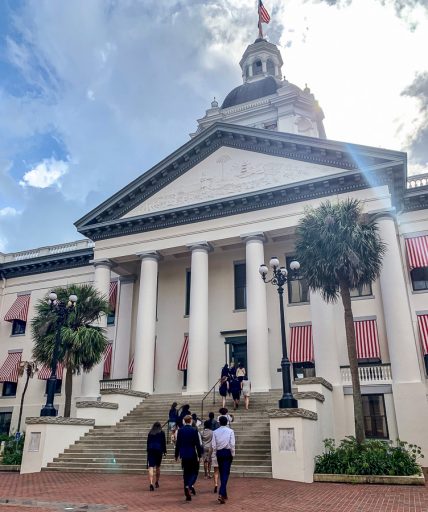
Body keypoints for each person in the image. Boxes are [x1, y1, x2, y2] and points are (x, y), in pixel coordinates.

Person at [175, 414, 202, 501]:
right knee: (194, 470)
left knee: (186, 472)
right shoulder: (194, 430)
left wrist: (176, 455)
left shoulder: (180, 431)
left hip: (183, 453)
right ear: (190, 421)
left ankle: (186, 486)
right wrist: (200, 455)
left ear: (184, 421)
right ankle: (189, 485)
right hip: (192, 453)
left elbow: (177, 444)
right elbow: (197, 444)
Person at [212, 415, 235, 504]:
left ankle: (224, 493)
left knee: (222, 472)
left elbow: (213, 445)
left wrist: (214, 455)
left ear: (219, 422)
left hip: (219, 453)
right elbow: (232, 444)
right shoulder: (230, 431)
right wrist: (233, 454)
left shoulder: (215, 432)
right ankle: (221, 493)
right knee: (226, 473)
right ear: (227, 422)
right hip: (227, 452)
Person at [146, 421, 167, 492]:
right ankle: (157, 482)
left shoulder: (150, 433)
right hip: (158, 450)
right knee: (158, 466)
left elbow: (148, 442)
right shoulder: (162, 432)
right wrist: (164, 451)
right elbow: (163, 443)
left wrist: (147, 450)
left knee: (151, 467)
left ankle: (151, 483)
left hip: (151, 450)